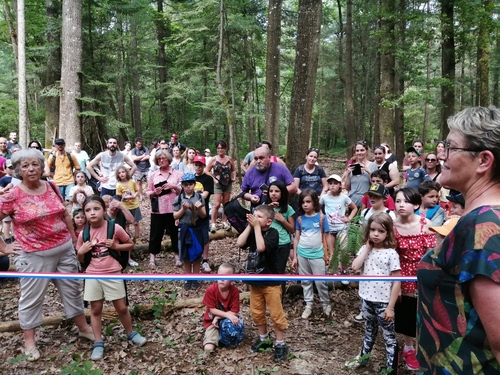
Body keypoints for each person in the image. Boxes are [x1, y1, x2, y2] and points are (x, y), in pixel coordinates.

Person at [416, 106, 500, 373]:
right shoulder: (481, 220)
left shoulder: (486, 227)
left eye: (451, 148)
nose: (442, 155)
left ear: (484, 161)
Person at [0, 148, 94, 361]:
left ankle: (83, 327)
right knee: (32, 298)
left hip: (64, 250)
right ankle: (29, 341)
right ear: (18, 170)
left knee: (72, 291)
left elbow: (64, 214)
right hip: (34, 255)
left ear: (42, 166)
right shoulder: (12, 195)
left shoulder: (51, 186)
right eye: (25, 166)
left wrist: (72, 238)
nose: (31, 169)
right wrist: (4, 247)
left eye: (35, 164)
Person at [76, 196, 146, 361]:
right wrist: (81, 251)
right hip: (92, 275)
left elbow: (130, 244)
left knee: (121, 307)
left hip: (113, 272)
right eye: (88, 210)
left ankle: (131, 333)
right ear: (84, 214)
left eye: (96, 209)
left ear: (103, 210)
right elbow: (80, 259)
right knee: (95, 309)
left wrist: (115, 246)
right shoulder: (83, 234)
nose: (92, 213)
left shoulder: (114, 228)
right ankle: (98, 342)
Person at [346, 213, 401, 372]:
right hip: (366, 299)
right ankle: (364, 358)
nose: (376, 234)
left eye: (381, 231)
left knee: (389, 337)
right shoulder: (365, 249)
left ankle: (391, 368)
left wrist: (390, 307)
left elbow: (397, 281)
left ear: (388, 233)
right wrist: (367, 249)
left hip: (383, 302)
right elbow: (355, 267)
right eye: (373, 230)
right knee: (369, 331)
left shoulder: (391, 253)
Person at [236, 205, 289, 362]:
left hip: (271, 282)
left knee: (275, 314)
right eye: (254, 216)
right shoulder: (253, 230)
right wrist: (249, 227)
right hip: (255, 282)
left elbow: (261, 248)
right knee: (257, 312)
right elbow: (239, 243)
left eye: (259, 217)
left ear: (269, 221)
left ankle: (280, 343)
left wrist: (257, 228)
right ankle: (263, 338)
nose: (255, 219)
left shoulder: (273, 233)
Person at [393, 187, 436, 371]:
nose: (401, 205)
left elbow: (431, 254)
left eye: (406, 201)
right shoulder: (392, 226)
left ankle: (425, 344)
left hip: (422, 273)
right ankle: (409, 347)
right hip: (401, 274)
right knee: (407, 311)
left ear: (416, 204)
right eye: (398, 201)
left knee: (424, 309)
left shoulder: (426, 224)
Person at [292, 189, 333, 319]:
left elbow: (327, 236)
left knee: (321, 281)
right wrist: (295, 257)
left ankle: (326, 303)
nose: (305, 205)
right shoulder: (299, 219)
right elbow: (297, 238)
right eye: (303, 202)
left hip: (318, 254)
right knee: (305, 281)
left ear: (315, 202)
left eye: (308, 201)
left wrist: (331, 253)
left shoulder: (321, 218)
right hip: (302, 253)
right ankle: (308, 304)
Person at [146, 149, 183, 268]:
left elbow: (183, 190)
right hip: (158, 209)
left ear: (168, 159)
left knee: (174, 232)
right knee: (155, 233)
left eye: (163, 158)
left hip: (174, 208)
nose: (161, 160)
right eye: (159, 159)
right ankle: (152, 257)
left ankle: (177, 256)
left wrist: (173, 186)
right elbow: (147, 192)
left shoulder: (177, 174)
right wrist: (154, 192)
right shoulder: (153, 175)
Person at [173, 172, 207, 291]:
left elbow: (204, 215)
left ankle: (196, 278)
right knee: (186, 254)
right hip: (184, 228)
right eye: (186, 184)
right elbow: (175, 216)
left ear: (194, 184)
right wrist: (183, 209)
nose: (188, 187)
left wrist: (199, 208)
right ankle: (188, 278)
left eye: (191, 184)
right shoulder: (178, 198)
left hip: (196, 228)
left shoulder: (199, 197)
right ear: (182, 185)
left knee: (197, 254)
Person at [202, 263, 244, 352]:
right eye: (220, 275)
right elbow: (212, 310)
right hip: (212, 322)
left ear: (232, 279)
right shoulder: (211, 290)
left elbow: (234, 311)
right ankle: (215, 339)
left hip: (226, 321)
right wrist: (217, 317)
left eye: (225, 276)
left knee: (235, 333)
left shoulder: (234, 291)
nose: (221, 279)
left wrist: (218, 317)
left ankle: (224, 339)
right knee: (208, 348)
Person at [265, 180, 295, 291]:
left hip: (283, 244)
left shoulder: (287, 208)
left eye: (277, 191)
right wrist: (268, 209)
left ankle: (279, 298)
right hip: (267, 243)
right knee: (267, 270)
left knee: (279, 271)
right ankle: (268, 296)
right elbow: (257, 221)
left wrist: (283, 220)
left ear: (282, 193)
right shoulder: (265, 207)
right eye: (271, 191)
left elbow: (292, 229)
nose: (273, 193)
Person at [320, 174, 357, 255]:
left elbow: (354, 208)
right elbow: (317, 207)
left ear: (340, 185)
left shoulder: (344, 197)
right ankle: (334, 266)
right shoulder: (324, 197)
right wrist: (321, 215)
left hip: (341, 227)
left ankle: (342, 265)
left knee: (343, 247)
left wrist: (349, 218)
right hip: (329, 228)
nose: (332, 185)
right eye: (330, 183)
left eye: (335, 183)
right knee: (332, 252)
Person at [206, 140, 236, 232]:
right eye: (218, 148)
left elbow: (233, 170)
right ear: (216, 149)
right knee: (216, 204)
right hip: (218, 184)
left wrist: (234, 177)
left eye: (222, 148)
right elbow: (206, 170)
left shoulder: (229, 159)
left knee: (226, 204)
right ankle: (213, 223)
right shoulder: (214, 159)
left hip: (228, 183)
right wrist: (213, 179)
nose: (220, 149)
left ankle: (224, 221)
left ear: (225, 149)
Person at [193, 155, 214, 273]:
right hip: (189, 213)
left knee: (205, 236)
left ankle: (205, 260)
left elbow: (205, 195)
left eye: (200, 165)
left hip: (203, 211)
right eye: (196, 165)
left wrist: (192, 197)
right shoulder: (190, 178)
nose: (198, 167)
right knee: (192, 235)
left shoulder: (208, 179)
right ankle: (194, 258)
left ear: (203, 166)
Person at [115, 166, 142, 244]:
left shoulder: (132, 182)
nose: (122, 174)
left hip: (134, 205)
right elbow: (118, 197)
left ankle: (137, 238)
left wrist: (134, 195)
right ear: (118, 175)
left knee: (136, 222)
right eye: (119, 173)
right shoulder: (118, 185)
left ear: (126, 172)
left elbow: (137, 191)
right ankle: (127, 237)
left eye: (123, 172)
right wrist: (124, 198)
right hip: (125, 207)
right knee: (126, 224)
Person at [343, 140, 372, 207]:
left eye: (362, 150)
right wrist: (348, 174)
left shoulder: (372, 165)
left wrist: (369, 172)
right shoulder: (352, 166)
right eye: (357, 151)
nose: (359, 153)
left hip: (365, 202)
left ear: (366, 151)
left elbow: (375, 185)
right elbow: (347, 187)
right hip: (352, 202)